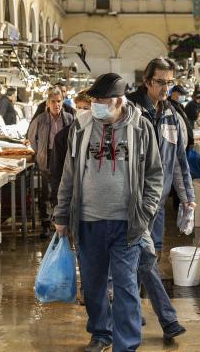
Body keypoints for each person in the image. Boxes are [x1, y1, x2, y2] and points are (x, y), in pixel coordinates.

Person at [54, 73, 162, 352]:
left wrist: (146, 212)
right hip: (88, 220)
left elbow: (154, 175)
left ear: (120, 100)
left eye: (104, 100)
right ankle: (101, 333)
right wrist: (61, 214)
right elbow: (69, 173)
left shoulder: (141, 127)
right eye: (96, 100)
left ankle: (125, 344)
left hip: (127, 222)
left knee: (126, 286)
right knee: (92, 284)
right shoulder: (81, 126)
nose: (98, 105)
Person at [127, 57, 195, 341]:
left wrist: (187, 197)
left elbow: (179, 161)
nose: (166, 88)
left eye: (170, 82)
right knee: (142, 257)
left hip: (158, 202)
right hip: (133, 201)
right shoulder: (129, 112)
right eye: (160, 82)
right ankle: (166, 319)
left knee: (146, 256)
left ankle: (133, 311)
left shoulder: (173, 116)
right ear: (146, 81)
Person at [27, 87, 74, 237]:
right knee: (45, 192)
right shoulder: (40, 119)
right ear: (47, 103)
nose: (56, 104)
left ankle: (59, 222)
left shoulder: (69, 118)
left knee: (60, 191)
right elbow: (31, 138)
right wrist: (40, 152)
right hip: (46, 157)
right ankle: (45, 224)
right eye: (53, 101)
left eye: (59, 101)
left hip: (62, 158)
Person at [49, 91, 92, 209]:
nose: (82, 111)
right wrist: (57, 201)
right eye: (79, 108)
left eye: (86, 108)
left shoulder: (99, 136)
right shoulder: (63, 136)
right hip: (70, 194)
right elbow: (56, 171)